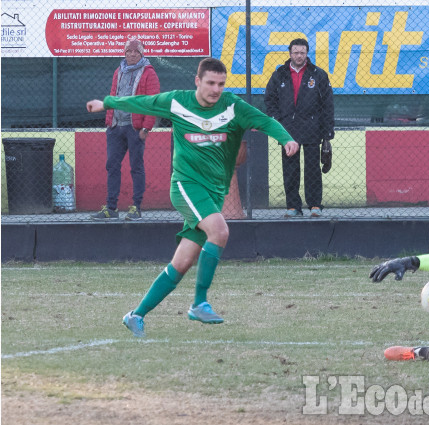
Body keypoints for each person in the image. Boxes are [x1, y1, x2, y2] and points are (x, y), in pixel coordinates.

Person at [86, 58, 299, 337]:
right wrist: (107, 103)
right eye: (210, 83)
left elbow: (265, 121)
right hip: (186, 185)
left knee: (181, 264)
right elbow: (143, 102)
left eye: (221, 84)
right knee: (220, 230)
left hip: (213, 191)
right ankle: (199, 303)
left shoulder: (233, 106)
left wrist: (286, 139)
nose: (215, 89)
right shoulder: (177, 101)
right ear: (197, 81)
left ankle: (135, 315)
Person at [264, 38, 334, 218]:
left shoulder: (318, 74)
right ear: (290, 53)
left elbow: (327, 105)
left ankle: (315, 206)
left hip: (312, 128)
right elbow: (269, 100)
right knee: (290, 169)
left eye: (302, 52)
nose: (299, 56)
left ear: (307, 53)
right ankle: (293, 207)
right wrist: (277, 122)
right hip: (287, 130)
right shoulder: (279, 74)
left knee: (312, 169)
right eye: (295, 52)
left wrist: (327, 133)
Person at [91, 39, 160, 221]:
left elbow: (153, 103)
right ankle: (111, 208)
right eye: (128, 51)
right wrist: (109, 122)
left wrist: (146, 127)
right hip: (115, 127)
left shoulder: (148, 73)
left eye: (135, 51)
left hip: (135, 128)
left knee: (136, 167)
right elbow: (113, 95)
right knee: (112, 166)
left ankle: (136, 208)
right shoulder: (118, 71)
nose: (131, 54)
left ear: (141, 54)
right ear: (124, 53)